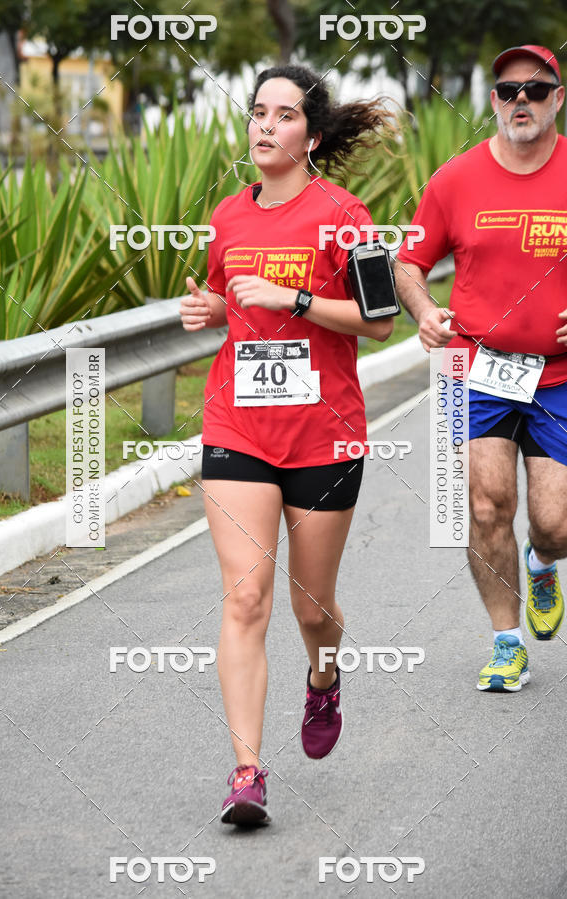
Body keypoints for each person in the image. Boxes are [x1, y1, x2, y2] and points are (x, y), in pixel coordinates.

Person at [179, 64, 395, 824]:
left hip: (324, 434)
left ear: (312, 133)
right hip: (237, 423)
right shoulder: (227, 217)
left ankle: (324, 675)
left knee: (311, 608)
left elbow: (379, 321)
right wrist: (211, 309)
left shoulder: (349, 215)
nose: (265, 126)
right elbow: (226, 298)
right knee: (245, 596)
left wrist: (295, 298)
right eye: (257, 112)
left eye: (284, 115)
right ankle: (246, 771)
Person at [395, 45, 567, 692]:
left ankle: (544, 559)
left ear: (557, 98)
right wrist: (423, 310)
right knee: (486, 505)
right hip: (474, 368)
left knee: (556, 520)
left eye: (536, 88)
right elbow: (409, 263)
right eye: (507, 90)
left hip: (559, 375)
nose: (520, 99)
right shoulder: (455, 179)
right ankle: (506, 640)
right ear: (493, 101)